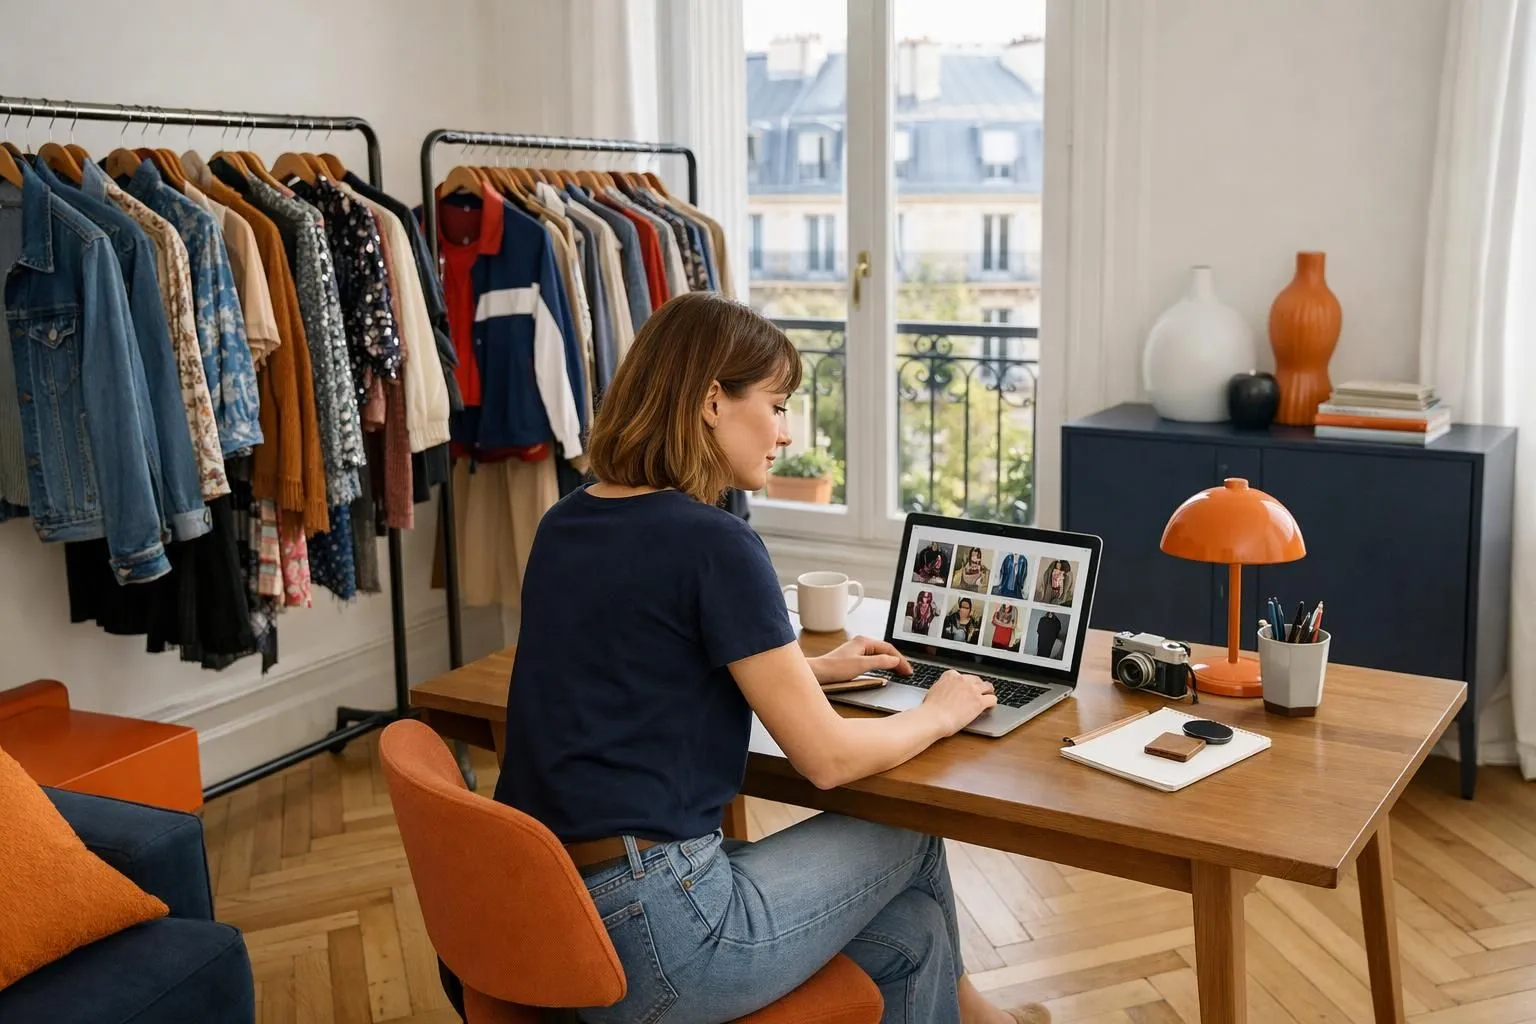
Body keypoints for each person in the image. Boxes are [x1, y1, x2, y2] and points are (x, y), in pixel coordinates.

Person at [496, 293, 1048, 1024]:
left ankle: (973, 1017)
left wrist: (807, 670)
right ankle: (981, 1020)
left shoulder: (567, 520)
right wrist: (940, 714)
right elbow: (827, 760)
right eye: (778, 404)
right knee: (911, 832)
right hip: (664, 940)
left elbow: (632, 667)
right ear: (710, 401)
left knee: (912, 934)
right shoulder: (714, 541)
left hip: (557, 920)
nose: (787, 433)